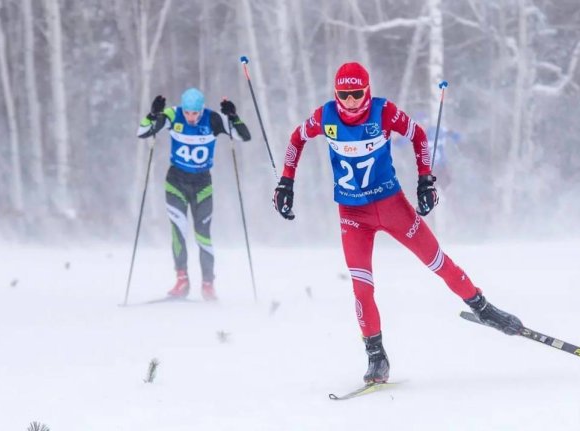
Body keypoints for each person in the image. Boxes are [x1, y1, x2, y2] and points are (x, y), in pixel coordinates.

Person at [272, 62, 522, 384]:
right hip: (352, 215)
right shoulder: (325, 116)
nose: (350, 101)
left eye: (356, 93)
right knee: (362, 288)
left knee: (437, 262)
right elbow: (296, 139)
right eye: (343, 94)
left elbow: (418, 136)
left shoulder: (383, 112)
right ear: (336, 94)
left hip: (392, 207)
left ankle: (483, 308)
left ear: (367, 91)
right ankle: (376, 357)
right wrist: (285, 183)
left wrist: (425, 181)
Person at [137, 88, 251, 301]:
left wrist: (233, 116)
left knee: (203, 234)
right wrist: (153, 115)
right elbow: (142, 132)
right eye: (188, 112)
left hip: (202, 185)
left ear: (201, 110)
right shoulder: (173, 115)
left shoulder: (212, 119)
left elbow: (244, 136)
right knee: (178, 230)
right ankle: (182, 280)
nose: (191, 117)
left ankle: (208, 284)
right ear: (183, 109)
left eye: (195, 113)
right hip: (176, 183)